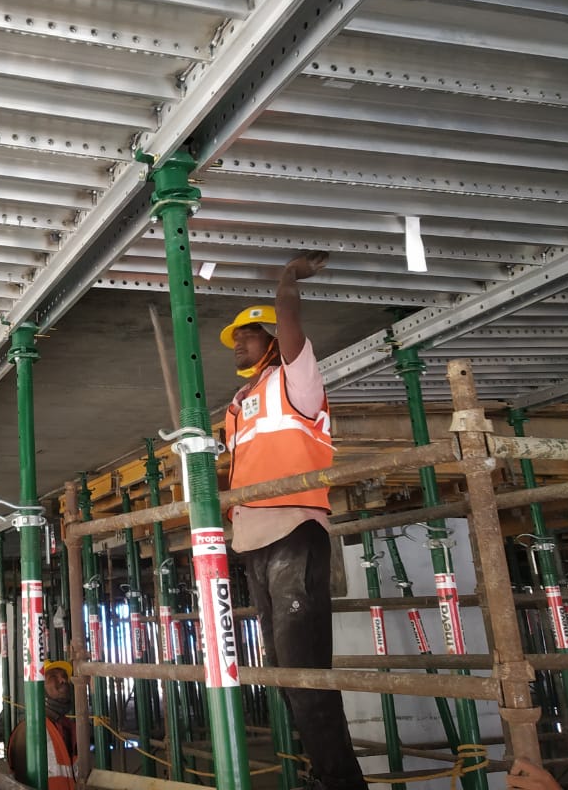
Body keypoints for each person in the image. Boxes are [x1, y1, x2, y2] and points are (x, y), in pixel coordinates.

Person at [220, 251, 366, 790]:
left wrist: (286, 280)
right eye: (237, 338)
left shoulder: (295, 381)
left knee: (305, 673)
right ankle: (324, 772)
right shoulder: (240, 402)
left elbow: (290, 322)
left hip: (294, 531)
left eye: (249, 335)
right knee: (284, 672)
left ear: (273, 340)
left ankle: (341, 782)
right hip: (254, 538)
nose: (238, 344)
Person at [7, 660, 76, 790]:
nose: (63, 680)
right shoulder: (27, 732)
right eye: (53, 677)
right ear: (39, 687)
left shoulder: (70, 728)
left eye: (64, 676)